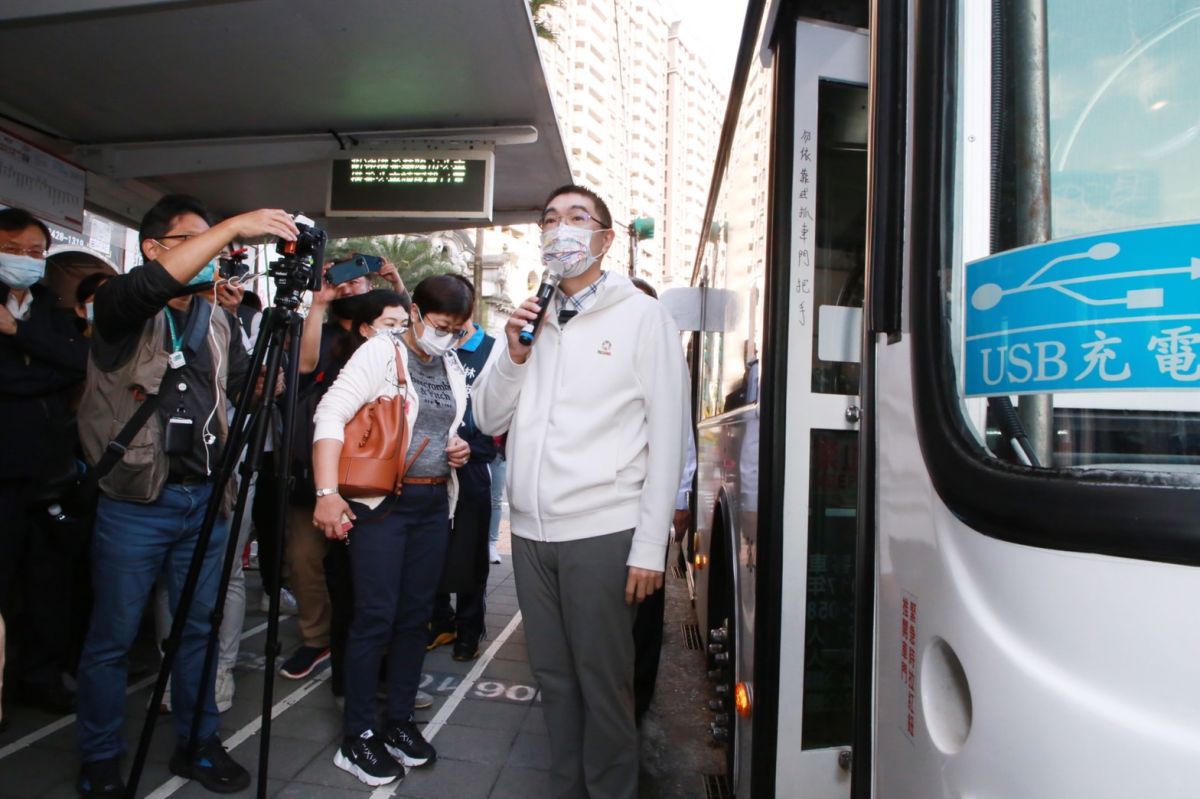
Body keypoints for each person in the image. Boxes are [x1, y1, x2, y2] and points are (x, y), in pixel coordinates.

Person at [73, 194, 298, 797]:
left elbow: (249, 390)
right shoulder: (118, 306)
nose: (214, 253)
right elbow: (145, 292)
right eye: (196, 241)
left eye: (218, 244)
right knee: (113, 637)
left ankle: (198, 743)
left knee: (197, 629)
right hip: (135, 503)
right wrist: (232, 226)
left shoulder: (218, 319)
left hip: (205, 498)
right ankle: (99, 757)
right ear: (153, 250)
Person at [473, 185, 689, 798]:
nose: (559, 229)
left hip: (603, 528)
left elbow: (668, 436)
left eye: (576, 218)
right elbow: (488, 419)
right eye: (548, 220)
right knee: (554, 680)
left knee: (604, 683)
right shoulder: (527, 316)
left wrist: (649, 546)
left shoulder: (642, 316)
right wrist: (513, 353)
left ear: (604, 239)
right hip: (532, 532)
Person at [312, 274, 471, 788]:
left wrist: (457, 449)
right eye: (442, 325)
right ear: (417, 312)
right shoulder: (380, 353)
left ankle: (398, 721)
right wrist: (326, 493)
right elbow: (330, 413)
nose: (448, 336)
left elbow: (445, 426)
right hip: (383, 505)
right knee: (375, 616)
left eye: (457, 329)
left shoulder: (448, 363)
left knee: (414, 618)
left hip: (432, 501)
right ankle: (357, 735)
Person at [279, 255, 406, 685]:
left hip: (376, 469)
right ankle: (317, 638)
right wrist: (318, 304)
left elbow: (419, 334)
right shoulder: (323, 329)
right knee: (304, 559)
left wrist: (395, 281)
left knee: (367, 572)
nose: (350, 287)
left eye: (358, 279)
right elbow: (303, 365)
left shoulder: (390, 335)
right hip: (316, 464)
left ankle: (376, 658)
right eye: (341, 279)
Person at [0, 207, 90, 717]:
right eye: (13, 250)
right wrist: (51, 373)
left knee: (50, 580)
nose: (25, 261)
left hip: (54, 472)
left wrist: (17, 333)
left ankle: (42, 676)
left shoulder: (52, 311)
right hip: (4, 470)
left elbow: (81, 362)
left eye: (35, 253)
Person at [427, 276, 501, 661]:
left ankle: (470, 629)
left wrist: (470, 449)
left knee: (471, 555)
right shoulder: (428, 347)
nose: (448, 331)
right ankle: (440, 622)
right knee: (430, 551)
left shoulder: (492, 350)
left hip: (471, 468)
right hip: (427, 467)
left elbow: (497, 419)